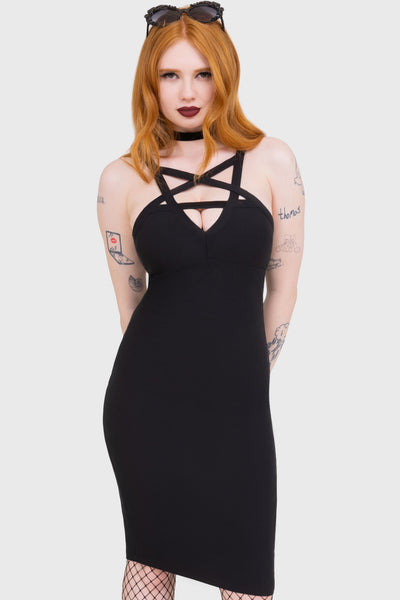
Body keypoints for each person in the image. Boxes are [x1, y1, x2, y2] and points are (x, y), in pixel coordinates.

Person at [97, 3, 305, 599]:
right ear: (150, 81)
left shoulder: (273, 159)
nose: (187, 92)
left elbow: (283, 287)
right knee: (151, 564)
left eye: (202, 74)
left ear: (225, 74)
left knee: (246, 578)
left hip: (239, 404)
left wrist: (244, 376)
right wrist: (180, 378)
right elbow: (129, 304)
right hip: (148, 405)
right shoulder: (121, 178)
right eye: (170, 75)